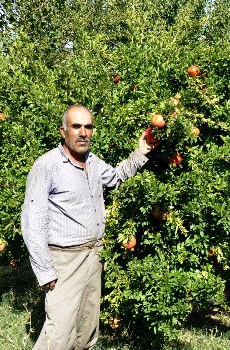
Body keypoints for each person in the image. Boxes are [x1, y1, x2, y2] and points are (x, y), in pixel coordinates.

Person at [21, 105, 156, 349]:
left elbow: (115, 177)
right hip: (65, 260)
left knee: (86, 326)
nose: (83, 133)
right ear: (63, 131)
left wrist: (141, 153)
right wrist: (44, 270)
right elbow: (33, 221)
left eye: (88, 127)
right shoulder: (47, 166)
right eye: (76, 126)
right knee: (59, 331)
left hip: (94, 255)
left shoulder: (92, 162)